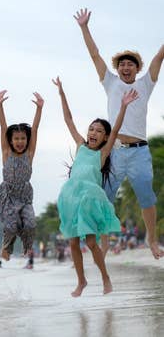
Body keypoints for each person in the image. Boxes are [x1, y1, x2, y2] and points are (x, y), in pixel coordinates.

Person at [74, 8, 164, 260]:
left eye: (130, 64)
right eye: (122, 64)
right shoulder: (110, 82)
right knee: (104, 198)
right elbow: (94, 54)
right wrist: (84, 27)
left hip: (139, 151)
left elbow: (160, 56)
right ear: (117, 68)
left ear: (137, 69)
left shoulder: (145, 84)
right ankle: (102, 245)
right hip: (113, 151)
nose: (126, 67)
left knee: (147, 196)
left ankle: (152, 240)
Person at [53, 76, 138, 297]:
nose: (93, 133)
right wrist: (61, 93)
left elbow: (117, 127)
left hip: (89, 200)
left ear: (105, 137)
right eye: (91, 129)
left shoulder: (102, 153)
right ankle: (81, 281)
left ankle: (105, 277)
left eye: (99, 131)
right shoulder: (81, 146)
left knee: (91, 242)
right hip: (71, 198)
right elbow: (68, 120)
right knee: (72, 242)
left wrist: (123, 107)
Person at [0, 89, 44, 261]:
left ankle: (27, 247)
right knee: (11, 225)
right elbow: (3, 127)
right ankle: (6, 249)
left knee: (30, 223)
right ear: (10, 140)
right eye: (16, 139)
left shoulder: (29, 154)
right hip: (8, 193)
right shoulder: (6, 152)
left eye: (23, 138)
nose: (19, 142)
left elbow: (36, 128)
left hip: (24, 194)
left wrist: (39, 108)